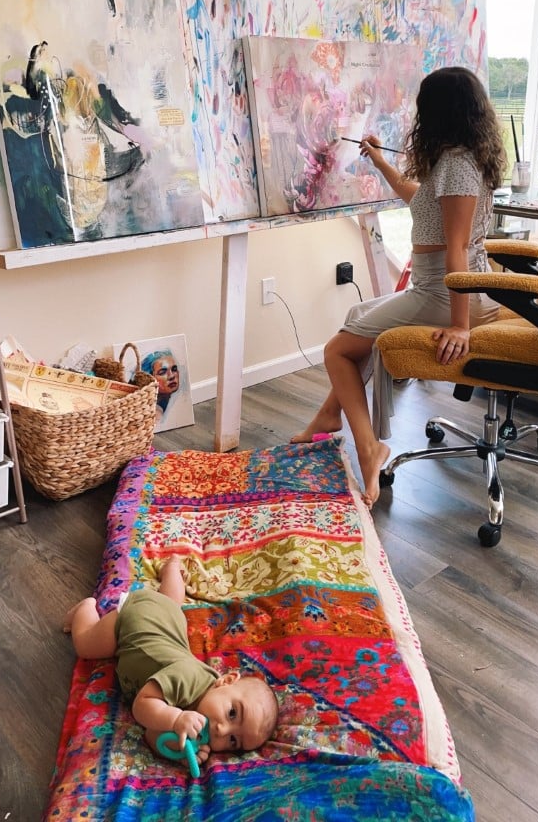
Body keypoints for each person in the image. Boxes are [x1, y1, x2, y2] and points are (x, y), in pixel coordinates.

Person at [292, 66, 506, 508]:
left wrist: (461, 325)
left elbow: (458, 248)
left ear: (438, 112)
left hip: (446, 294)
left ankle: (370, 448)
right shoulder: (456, 161)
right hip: (441, 288)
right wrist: (380, 160)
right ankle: (330, 414)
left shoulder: (458, 167)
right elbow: (420, 201)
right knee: (356, 318)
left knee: (336, 350)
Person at [63, 557, 279, 764]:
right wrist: (175, 719)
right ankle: (86, 608)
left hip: (167, 617)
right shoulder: (188, 678)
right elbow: (142, 706)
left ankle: (172, 569)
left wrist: (179, 750)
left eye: (233, 741)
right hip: (136, 621)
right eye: (232, 713)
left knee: (171, 603)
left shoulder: (200, 713)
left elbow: (151, 732)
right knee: (86, 645)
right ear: (226, 680)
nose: (221, 730)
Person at [141, 349, 181, 422]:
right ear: (150, 378)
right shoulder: (156, 414)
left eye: (174, 369)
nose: (171, 376)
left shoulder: (174, 406)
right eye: (162, 372)